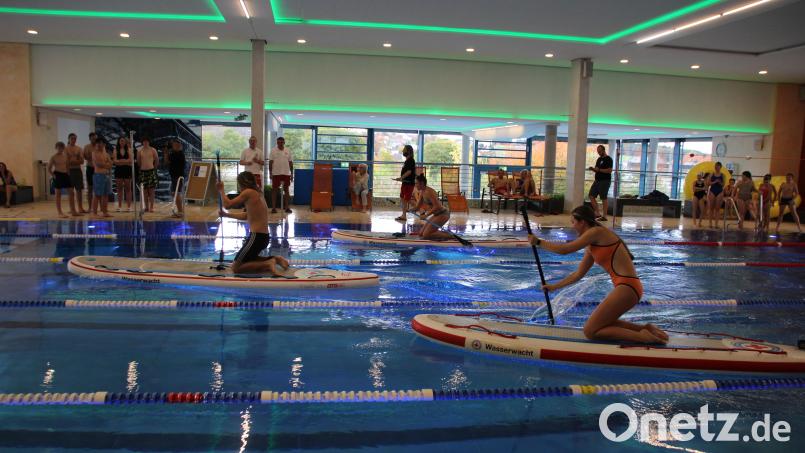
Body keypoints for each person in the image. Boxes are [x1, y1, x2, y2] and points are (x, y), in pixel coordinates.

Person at [528, 205, 668, 344]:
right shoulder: (592, 245)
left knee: (590, 331)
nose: (572, 226)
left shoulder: (596, 232)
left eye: (573, 222)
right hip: (628, 287)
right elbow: (578, 274)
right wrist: (554, 286)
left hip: (627, 288)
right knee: (603, 323)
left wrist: (539, 242)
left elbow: (565, 249)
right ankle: (645, 329)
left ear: (582, 222)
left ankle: (643, 337)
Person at [217, 171, 290, 276]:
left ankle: (268, 264)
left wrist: (221, 190)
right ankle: (275, 259)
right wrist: (226, 215)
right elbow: (247, 215)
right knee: (249, 259)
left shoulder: (248, 192)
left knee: (236, 267)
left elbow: (227, 204)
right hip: (263, 237)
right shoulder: (258, 193)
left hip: (256, 237)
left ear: (242, 183)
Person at [409, 174, 453, 241]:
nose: (415, 185)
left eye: (416, 183)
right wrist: (409, 210)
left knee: (426, 235)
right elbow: (417, 206)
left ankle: (450, 236)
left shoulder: (429, 192)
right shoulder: (421, 192)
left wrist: (426, 215)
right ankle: (444, 233)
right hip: (436, 215)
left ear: (422, 183)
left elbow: (437, 206)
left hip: (443, 214)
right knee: (421, 234)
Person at [47, 142, 81, 218]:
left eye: (61, 148)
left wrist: (68, 174)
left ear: (63, 148)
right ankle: (60, 212)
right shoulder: (53, 157)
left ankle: (73, 211)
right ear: (56, 148)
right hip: (57, 174)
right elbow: (49, 168)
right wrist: (53, 176)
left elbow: (67, 166)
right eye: (59, 147)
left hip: (65, 174)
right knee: (58, 194)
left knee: (71, 193)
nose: (60, 149)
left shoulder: (65, 156)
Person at [587, 145, 613, 221]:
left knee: (603, 198)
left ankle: (605, 216)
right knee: (591, 195)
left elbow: (609, 170)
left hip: (605, 181)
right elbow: (597, 169)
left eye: (600, 151)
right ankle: (597, 213)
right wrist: (593, 169)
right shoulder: (599, 159)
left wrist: (599, 170)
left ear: (603, 150)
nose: (599, 153)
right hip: (597, 181)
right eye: (598, 151)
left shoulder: (609, 159)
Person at [268, 136, 293, 214]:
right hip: (276, 173)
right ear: (277, 143)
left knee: (286, 190)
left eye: (281, 142)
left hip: (286, 173)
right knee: (274, 190)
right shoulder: (273, 151)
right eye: (278, 142)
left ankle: (287, 207)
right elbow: (270, 162)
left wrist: (292, 173)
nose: (280, 144)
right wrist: (270, 173)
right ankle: (274, 208)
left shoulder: (288, 151)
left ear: (284, 142)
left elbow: (290, 163)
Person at [65, 133, 88, 213]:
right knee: (71, 191)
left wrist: (72, 160)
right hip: (69, 171)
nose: (73, 140)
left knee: (79, 190)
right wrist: (75, 159)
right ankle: (72, 209)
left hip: (77, 171)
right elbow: (66, 162)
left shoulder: (79, 149)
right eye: (72, 138)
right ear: (68, 139)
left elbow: (81, 161)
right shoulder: (65, 149)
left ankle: (80, 208)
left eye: (75, 138)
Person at [91, 139, 113, 218]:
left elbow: (111, 164)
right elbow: (98, 164)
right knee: (97, 195)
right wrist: (106, 164)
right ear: (97, 144)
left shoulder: (106, 154)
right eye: (99, 143)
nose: (100, 145)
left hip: (106, 175)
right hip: (98, 175)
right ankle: (94, 213)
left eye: (102, 143)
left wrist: (106, 164)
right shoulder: (94, 153)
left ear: (104, 144)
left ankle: (105, 212)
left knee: (105, 195)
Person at [165, 139, 187, 217]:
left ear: (178, 145)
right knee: (175, 193)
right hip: (175, 176)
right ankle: (180, 210)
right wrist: (167, 152)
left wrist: (167, 153)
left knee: (175, 193)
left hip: (178, 176)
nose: (172, 146)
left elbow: (168, 161)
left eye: (174, 145)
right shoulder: (175, 153)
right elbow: (167, 162)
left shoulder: (179, 154)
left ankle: (180, 211)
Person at [394, 145, 416, 221]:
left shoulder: (411, 160)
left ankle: (421, 208)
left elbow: (409, 172)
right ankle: (404, 215)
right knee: (403, 198)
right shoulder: (407, 160)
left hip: (409, 183)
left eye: (404, 150)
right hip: (405, 183)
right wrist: (401, 179)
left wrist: (401, 178)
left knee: (407, 199)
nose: (403, 151)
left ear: (408, 151)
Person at [138, 137, 159, 213]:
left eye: (147, 141)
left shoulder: (153, 150)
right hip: (143, 171)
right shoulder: (140, 151)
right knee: (145, 191)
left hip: (151, 171)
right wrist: (141, 168)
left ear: (149, 142)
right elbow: (139, 161)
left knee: (151, 191)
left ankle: (151, 207)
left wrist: (154, 169)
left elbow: (156, 160)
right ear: (142, 142)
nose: (145, 143)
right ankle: (146, 207)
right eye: (144, 141)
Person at [113, 136, 134, 212]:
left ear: (125, 142)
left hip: (127, 170)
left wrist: (120, 161)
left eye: (123, 141)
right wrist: (125, 161)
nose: (122, 142)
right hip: (119, 170)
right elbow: (115, 161)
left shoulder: (129, 150)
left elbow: (130, 161)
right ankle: (119, 206)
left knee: (128, 189)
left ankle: (129, 206)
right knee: (119, 189)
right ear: (119, 142)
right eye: (121, 141)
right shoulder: (115, 150)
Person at [707, 162, 725, 228]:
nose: (716, 167)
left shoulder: (722, 175)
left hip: (719, 191)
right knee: (711, 208)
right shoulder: (712, 174)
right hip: (712, 191)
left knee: (717, 209)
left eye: (718, 166)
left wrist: (719, 182)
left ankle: (716, 224)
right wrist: (715, 182)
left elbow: (723, 184)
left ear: (720, 167)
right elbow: (708, 183)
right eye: (716, 166)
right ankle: (710, 223)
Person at [82, 132, 97, 209]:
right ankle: (90, 207)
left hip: (97, 169)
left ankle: (98, 207)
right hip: (90, 168)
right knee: (90, 188)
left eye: (95, 138)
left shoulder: (99, 146)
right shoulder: (86, 147)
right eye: (93, 138)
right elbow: (84, 156)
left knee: (98, 188)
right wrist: (90, 157)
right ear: (90, 138)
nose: (94, 139)